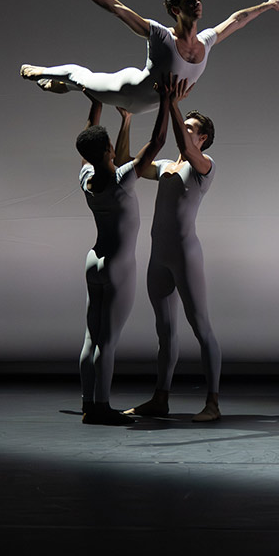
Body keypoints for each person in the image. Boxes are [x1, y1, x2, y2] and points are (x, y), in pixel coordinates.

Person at [21, 0, 279, 113]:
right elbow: (117, 9)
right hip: (126, 91)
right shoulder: (161, 36)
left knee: (78, 87)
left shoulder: (206, 41)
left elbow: (237, 20)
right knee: (79, 76)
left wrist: (267, 5)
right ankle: (38, 72)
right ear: (176, 10)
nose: (196, 3)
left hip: (150, 107)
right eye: (189, 1)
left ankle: (57, 87)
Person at [74, 76, 175, 425]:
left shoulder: (87, 177)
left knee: (91, 338)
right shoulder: (122, 180)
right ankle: (100, 407)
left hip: (94, 260)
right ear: (107, 150)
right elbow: (158, 142)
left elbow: (89, 141)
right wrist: (166, 101)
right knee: (108, 341)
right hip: (118, 265)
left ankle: (89, 403)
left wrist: (97, 102)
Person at [123, 85, 222, 422]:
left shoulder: (204, 166)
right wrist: (126, 120)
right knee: (164, 332)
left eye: (191, 128)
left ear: (203, 138)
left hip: (185, 256)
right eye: (185, 126)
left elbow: (183, 144)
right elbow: (127, 165)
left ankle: (213, 403)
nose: (185, 130)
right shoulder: (166, 165)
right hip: (159, 258)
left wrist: (172, 103)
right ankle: (160, 398)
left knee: (201, 327)